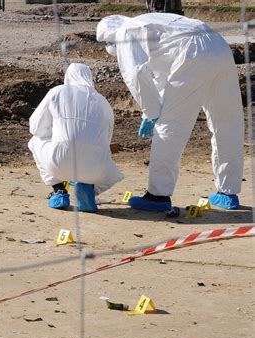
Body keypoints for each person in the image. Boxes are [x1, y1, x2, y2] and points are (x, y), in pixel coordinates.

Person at [96, 14, 244, 211]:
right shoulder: (151, 25)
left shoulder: (125, 33)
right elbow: (163, 78)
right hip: (217, 43)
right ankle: (228, 192)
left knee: (170, 126)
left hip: (192, 52)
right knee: (227, 121)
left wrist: (151, 113)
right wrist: (149, 112)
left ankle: (158, 196)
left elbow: (137, 76)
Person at [28, 62, 123, 212]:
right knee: (113, 173)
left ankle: (59, 190)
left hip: (59, 163)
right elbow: (106, 140)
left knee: (34, 141)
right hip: (97, 170)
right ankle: (87, 188)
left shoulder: (57, 92)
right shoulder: (103, 102)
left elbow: (34, 126)